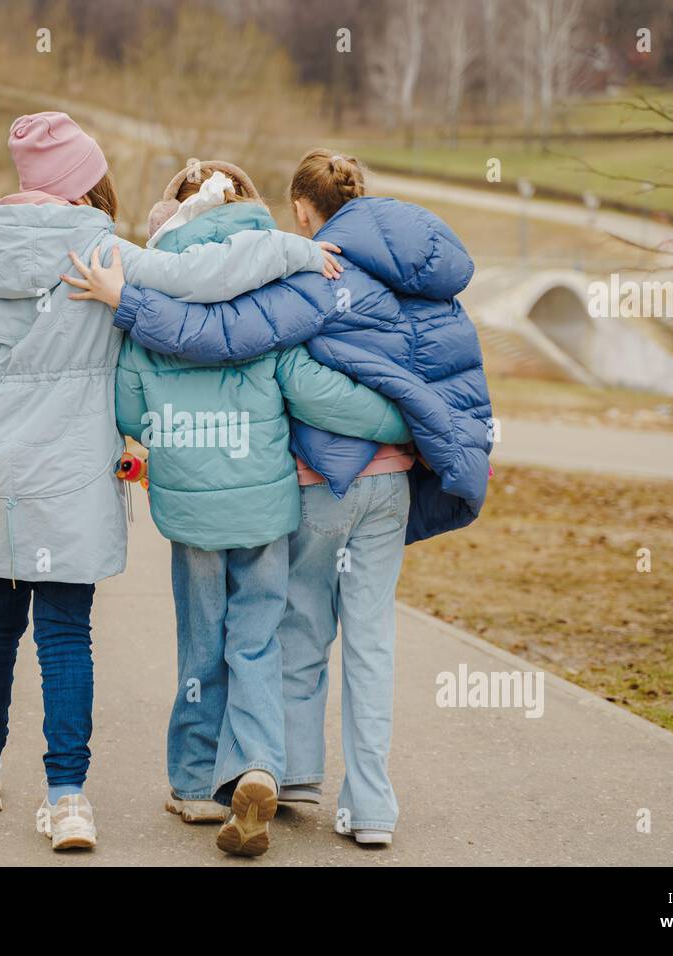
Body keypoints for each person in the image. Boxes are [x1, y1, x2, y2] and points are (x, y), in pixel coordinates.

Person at [0, 116, 343, 852]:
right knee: (63, 630)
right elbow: (203, 275)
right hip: (72, 468)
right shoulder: (102, 250)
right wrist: (296, 249)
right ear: (83, 181)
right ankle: (68, 798)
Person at [66, 148, 492, 847]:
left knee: (246, 634)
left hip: (281, 490)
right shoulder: (411, 275)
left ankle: (241, 779)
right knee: (321, 639)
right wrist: (420, 433)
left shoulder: (284, 276)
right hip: (349, 491)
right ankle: (340, 796)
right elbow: (418, 376)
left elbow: (174, 380)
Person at [107, 161, 411, 857]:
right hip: (268, 508)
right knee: (256, 640)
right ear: (250, 213)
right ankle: (257, 765)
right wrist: (409, 425)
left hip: (191, 514)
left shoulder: (151, 293)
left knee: (200, 642)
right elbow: (312, 391)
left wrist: (165, 437)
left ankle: (192, 786)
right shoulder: (272, 294)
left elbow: (126, 405)